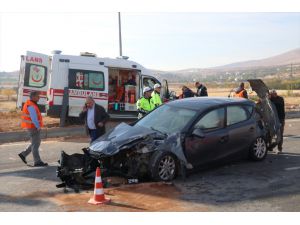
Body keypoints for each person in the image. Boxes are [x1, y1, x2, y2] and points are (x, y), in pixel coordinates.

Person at [18, 91, 48, 167]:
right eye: (38, 96)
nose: (39, 97)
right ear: (33, 97)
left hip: (31, 127)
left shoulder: (31, 104)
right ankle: (37, 161)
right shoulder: (31, 105)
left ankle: (23, 154)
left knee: (35, 143)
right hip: (33, 127)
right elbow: (34, 118)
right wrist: (37, 126)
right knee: (36, 144)